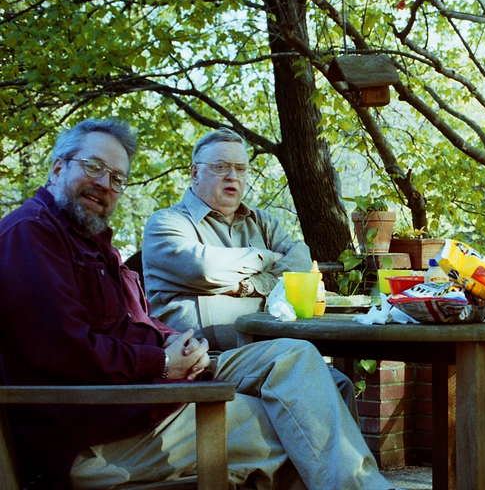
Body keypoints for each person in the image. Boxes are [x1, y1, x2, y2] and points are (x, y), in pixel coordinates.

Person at [0, 119, 394, 489]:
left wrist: (171, 342)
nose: (105, 184)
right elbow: (65, 350)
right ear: (57, 168)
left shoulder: (88, 240)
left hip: (152, 386)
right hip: (96, 431)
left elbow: (131, 322)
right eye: (93, 167)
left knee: (301, 361)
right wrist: (160, 362)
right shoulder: (31, 235)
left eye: (117, 177)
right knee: (301, 424)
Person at [141, 128, 357, 415]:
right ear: (194, 172)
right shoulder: (166, 223)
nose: (233, 176)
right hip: (202, 361)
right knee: (310, 384)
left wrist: (249, 286)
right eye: (220, 167)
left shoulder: (263, 222)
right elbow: (204, 268)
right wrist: (266, 257)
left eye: (240, 168)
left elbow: (301, 260)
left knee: (337, 384)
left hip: (267, 353)